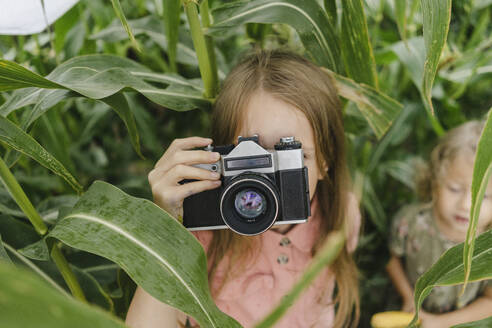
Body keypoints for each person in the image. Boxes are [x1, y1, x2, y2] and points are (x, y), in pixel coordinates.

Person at [125, 49, 361, 328]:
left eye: (290, 155)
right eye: (249, 161)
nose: (260, 186)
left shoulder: (341, 215)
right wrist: (165, 227)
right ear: (221, 158)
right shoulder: (200, 231)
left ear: (324, 161)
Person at [386, 120, 492, 328]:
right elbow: (392, 259)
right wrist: (409, 299)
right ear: (435, 181)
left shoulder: (489, 247)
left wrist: (441, 323)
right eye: (454, 188)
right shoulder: (412, 222)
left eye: (483, 196)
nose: (465, 204)